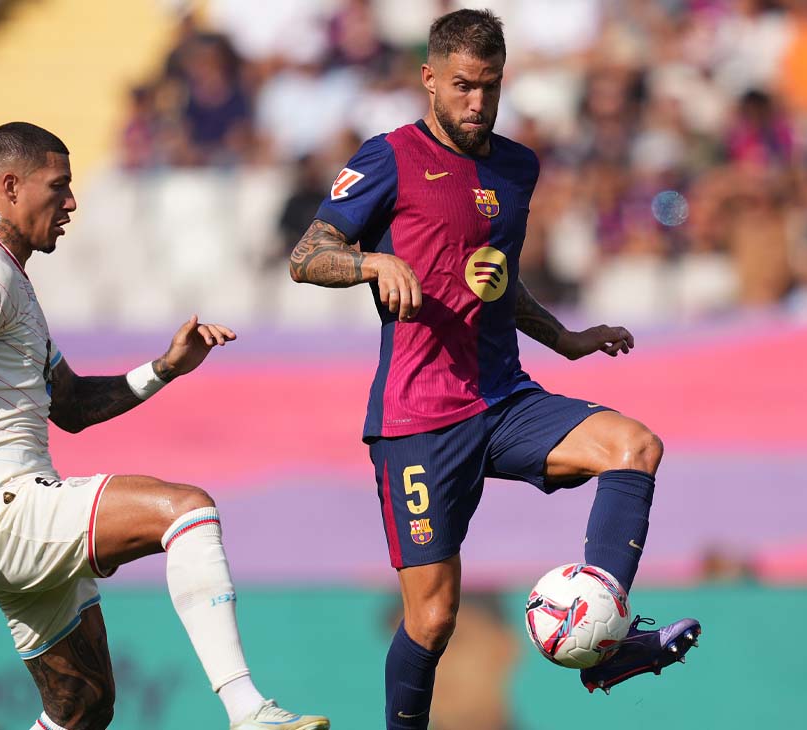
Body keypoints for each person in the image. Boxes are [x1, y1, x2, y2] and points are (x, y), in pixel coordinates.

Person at [287, 10, 700, 727]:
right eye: (463, 86)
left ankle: (607, 646)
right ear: (429, 78)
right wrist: (373, 263)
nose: (478, 102)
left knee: (635, 447)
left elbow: (494, 277)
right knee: (434, 618)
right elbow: (306, 255)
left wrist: (563, 338)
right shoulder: (389, 157)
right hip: (419, 419)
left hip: (505, 399)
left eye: (491, 86)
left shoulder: (517, 167)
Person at [0, 122, 328, 730]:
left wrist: (164, 369)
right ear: (10, 186)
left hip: (2, 521)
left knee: (83, 707)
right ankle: (248, 711)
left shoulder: (10, 279)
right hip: (4, 509)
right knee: (187, 511)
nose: (72, 202)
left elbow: (72, 405)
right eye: (58, 186)